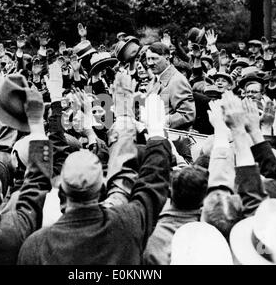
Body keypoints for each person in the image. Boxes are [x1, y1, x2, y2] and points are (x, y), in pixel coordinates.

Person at [18, 76, 173, 265]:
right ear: (101, 189)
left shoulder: (36, 246)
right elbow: (147, 181)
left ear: (62, 194)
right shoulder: (127, 224)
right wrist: (151, 129)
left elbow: (37, 178)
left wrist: (38, 125)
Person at [146, 42, 196, 130]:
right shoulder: (155, 80)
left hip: (172, 138)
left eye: (154, 58)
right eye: (148, 59)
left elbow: (187, 115)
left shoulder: (177, 80)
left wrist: (161, 122)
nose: (150, 63)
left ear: (167, 58)